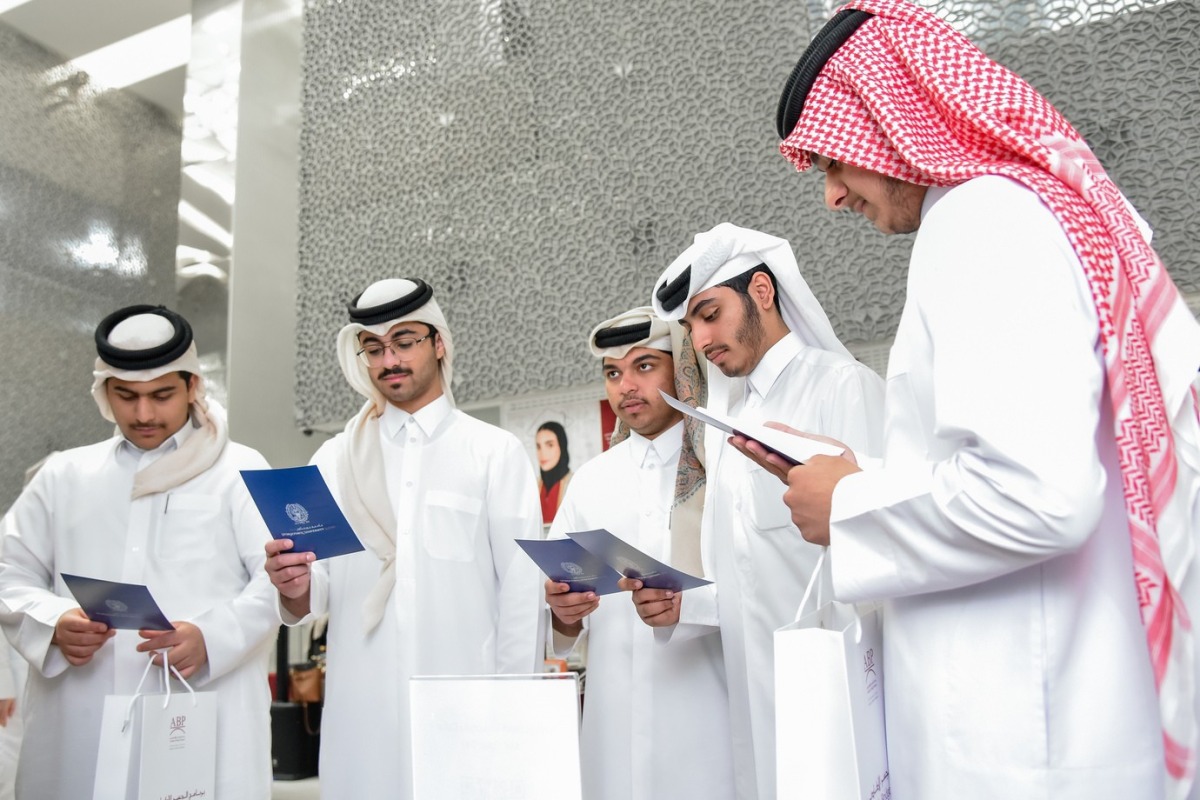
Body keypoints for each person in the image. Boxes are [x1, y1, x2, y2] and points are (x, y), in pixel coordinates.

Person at [761, 1, 1200, 796]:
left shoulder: (981, 220)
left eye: (834, 162)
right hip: (1056, 712)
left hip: (1017, 740)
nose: (831, 197)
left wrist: (851, 504)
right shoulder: (1025, 215)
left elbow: (1039, 497)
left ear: (894, 120)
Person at [264, 277, 545, 798]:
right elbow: (316, 591)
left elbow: (523, 595)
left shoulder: (494, 453)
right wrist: (291, 582)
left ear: (438, 343)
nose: (389, 359)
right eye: (374, 348)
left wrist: (512, 704)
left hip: (468, 704)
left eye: (404, 341)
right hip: (362, 712)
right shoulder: (334, 459)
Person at [0, 304, 279, 799]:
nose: (144, 413)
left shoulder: (241, 469)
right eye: (126, 396)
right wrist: (53, 623)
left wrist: (212, 638)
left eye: (161, 395)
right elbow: (7, 571)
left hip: (200, 709)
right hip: (77, 722)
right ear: (103, 393)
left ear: (193, 386)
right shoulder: (65, 476)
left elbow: (278, 581)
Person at [648, 223, 885, 800]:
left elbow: (881, 551)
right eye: (690, 327)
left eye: (710, 314)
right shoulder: (733, 420)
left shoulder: (841, 387)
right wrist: (684, 603)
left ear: (760, 291)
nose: (700, 340)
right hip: (755, 698)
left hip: (834, 695)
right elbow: (749, 573)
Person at [545, 306, 734, 799]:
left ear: (685, 367)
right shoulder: (591, 481)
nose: (625, 386)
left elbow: (765, 589)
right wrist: (563, 612)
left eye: (644, 366)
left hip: (708, 722)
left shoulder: (729, 466)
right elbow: (563, 623)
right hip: (612, 731)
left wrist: (687, 605)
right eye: (613, 373)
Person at [535, 421, 572, 523]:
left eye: (550, 445)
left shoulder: (574, 483)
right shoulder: (534, 486)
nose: (542, 453)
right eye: (538, 447)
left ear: (562, 446)